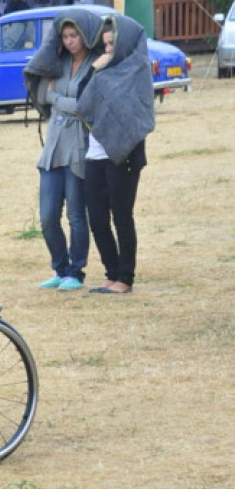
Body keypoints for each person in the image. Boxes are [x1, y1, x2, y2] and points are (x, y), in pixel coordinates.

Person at [24, 10, 101, 291]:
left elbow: (85, 104)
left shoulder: (95, 63)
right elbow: (44, 94)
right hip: (54, 146)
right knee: (47, 216)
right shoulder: (58, 61)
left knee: (77, 216)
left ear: (84, 35)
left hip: (78, 147)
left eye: (74, 36)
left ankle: (76, 271)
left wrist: (59, 98)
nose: (70, 41)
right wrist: (61, 99)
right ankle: (60, 267)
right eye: (65, 36)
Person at [77, 18, 154, 294]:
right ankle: (111, 272)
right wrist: (92, 72)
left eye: (112, 44)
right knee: (97, 217)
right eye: (105, 44)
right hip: (96, 152)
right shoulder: (101, 70)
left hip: (124, 154)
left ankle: (125, 278)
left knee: (122, 216)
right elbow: (81, 101)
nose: (107, 49)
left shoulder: (137, 69)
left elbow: (139, 114)